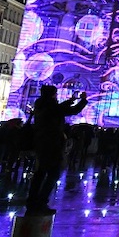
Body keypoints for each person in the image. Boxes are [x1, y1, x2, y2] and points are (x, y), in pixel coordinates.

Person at [25, 85, 88, 215]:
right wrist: (83, 100)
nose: (57, 96)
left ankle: (32, 202)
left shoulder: (41, 105)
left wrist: (71, 100)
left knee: (40, 173)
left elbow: (59, 108)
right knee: (53, 174)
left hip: (41, 142)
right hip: (52, 144)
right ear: (52, 95)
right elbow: (72, 111)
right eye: (55, 94)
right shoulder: (51, 106)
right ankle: (41, 202)